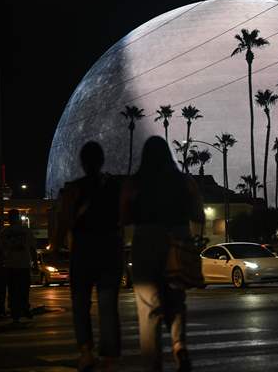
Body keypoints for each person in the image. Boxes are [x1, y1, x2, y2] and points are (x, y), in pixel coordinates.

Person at [120, 136, 204, 372]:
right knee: (176, 296)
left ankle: (153, 363)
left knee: (149, 305)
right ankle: (179, 345)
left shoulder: (134, 183)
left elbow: (124, 217)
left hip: (146, 239)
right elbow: (199, 214)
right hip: (177, 238)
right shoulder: (184, 181)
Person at [53, 141, 123, 372]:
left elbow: (64, 219)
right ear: (102, 160)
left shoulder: (73, 189)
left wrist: (55, 247)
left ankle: (85, 352)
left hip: (83, 251)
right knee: (108, 306)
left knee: (81, 303)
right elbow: (124, 217)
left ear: (82, 162)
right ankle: (110, 359)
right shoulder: (114, 186)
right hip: (110, 251)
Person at [0, 209, 36, 325]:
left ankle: (15, 313)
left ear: (9, 219)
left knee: (13, 290)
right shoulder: (25, 230)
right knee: (24, 288)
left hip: (11, 265)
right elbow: (32, 247)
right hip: (23, 264)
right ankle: (24, 307)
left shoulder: (5, 232)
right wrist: (35, 263)